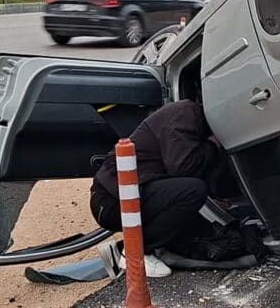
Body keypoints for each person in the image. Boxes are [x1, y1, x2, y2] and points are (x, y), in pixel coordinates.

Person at [90, 99, 222, 278]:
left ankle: (122, 249)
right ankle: (136, 253)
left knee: (189, 202)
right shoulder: (186, 113)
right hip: (112, 200)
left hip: (119, 195)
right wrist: (212, 145)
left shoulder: (184, 115)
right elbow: (183, 168)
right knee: (193, 191)